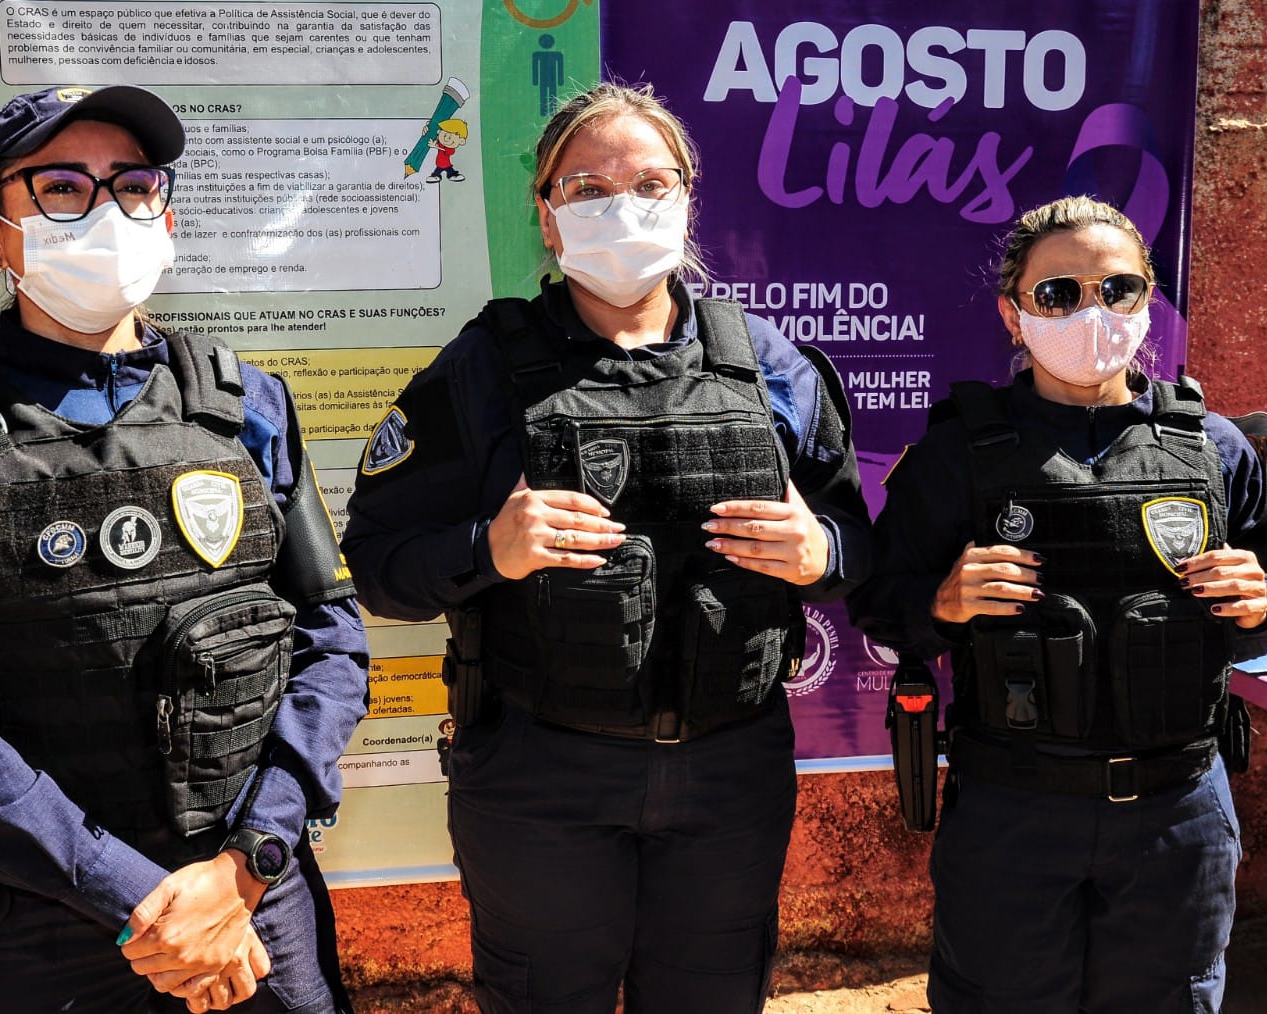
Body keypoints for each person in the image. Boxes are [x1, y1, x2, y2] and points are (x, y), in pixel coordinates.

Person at [0, 85, 368, 1013]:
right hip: (40, 929)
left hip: (251, 909)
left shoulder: (249, 407)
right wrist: (138, 898)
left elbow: (330, 643)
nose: (109, 211)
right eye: (63, 187)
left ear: (167, 210)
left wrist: (250, 863)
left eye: (134, 185)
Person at [342, 82, 872, 1013]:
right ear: (548, 221)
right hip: (542, 781)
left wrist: (819, 552)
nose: (620, 206)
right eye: (586, 189)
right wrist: (487, 547)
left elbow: (863, 548)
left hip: (729, 776)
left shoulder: (767, 366)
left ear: (686, 199)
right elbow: (379, 563)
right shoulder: (482, 369)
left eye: (649, 183)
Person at [849, 195, 1267, 1013]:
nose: (1092, 312)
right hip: (1013, 812)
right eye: (1059, 294)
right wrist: (943, 603)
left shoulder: (1216, 448)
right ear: (1013, 314)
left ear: (1149, 297)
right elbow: (880, 604)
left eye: (1118, 290)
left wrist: (1257, 603)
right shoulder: (956, 454)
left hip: (1178, 811)